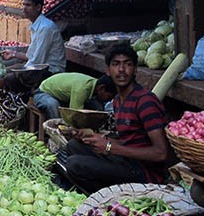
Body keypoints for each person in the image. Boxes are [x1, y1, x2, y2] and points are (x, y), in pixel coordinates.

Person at [64, 44, 170, 194]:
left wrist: (109, 147)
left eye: (127, 64)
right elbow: (130, 141)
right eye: (116, 64)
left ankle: (111, 201)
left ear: (135, 70)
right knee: (74, 146)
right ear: (108, 70)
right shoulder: (117, 101)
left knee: (75, 164)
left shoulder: (145, 101)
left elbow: (160, 153)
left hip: (145, 172)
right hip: (128, 161)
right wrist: (97, 139)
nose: (121, 70)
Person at [1, 0, 66, 91]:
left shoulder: (46, 28)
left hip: (51, 71)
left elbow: (37, 61)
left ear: (38, 7)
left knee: (8, 78)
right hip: (40, 67)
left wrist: (16, 71)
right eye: (24, 5)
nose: (24, 8)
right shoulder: (36, 26)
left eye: (28, 5)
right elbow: (32, 56)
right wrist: (14, 54)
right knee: (3, 70)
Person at [33, 73, 116, 120]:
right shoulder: (82, 89)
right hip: (43, 93)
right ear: (101, 88)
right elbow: (75, 114)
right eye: (108, 97)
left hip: (61, 97)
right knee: (52, 104)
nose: (108, 100)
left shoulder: (93, 85)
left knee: (98, 108)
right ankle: (57, 133)